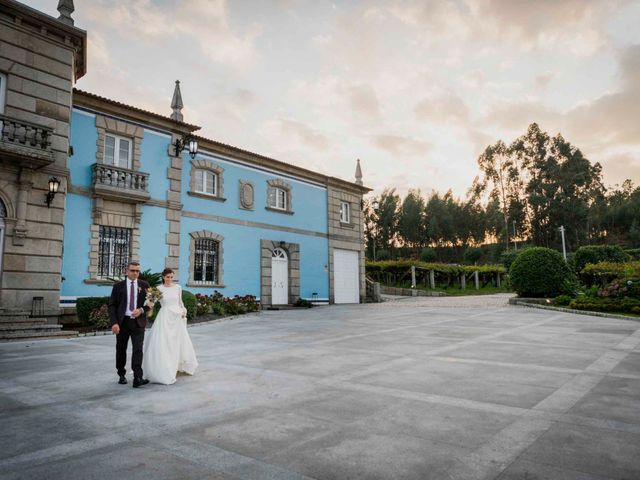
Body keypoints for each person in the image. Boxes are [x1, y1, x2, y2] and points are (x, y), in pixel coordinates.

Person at [142, 268, 198, 385]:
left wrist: (183, 311)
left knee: (177, 342)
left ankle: (177, 365)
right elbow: (151, 303)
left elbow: (180, 302)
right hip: (165, 317)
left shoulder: (178, 288)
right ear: (163, 277)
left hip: (177, 317)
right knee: (164, 342)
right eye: (168, 277)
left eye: (171, 277)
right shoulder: (158, 289)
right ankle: (164, 367)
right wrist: (148, 302)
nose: (170, 279)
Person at [108, 261, 151, 388]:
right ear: (127, 271)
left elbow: (150, 303)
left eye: (137, 271)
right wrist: (114, 323)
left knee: (138, 349)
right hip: (123, 322)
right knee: (121, 349)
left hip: (138, 322)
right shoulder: (118, 286)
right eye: (132, 270)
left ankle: (138, 377)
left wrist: (142, 310)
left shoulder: (144, 285)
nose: (135, 273)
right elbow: (112, 306)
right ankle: (121, 374)